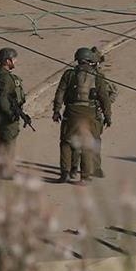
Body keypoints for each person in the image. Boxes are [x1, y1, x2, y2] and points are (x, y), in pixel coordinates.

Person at [52, 47, 113, 183]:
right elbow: (104, 98)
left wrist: (56, 110)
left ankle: (65, 173)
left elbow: (60, 93)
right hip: (90, 113)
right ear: (90, 60)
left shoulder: (69, 74)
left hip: (71, 112)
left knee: (66, 143)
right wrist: (108, 116)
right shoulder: (97, 76)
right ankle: (85, 177)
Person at [71, 47, 117, 179]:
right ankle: (76, 167)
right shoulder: (79, 74)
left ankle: (91, 168)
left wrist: (103, 106)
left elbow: (111, 93)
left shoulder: (97, 76)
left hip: (92, 113)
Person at [0, 47, 26, 179]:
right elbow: (3, 98)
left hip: (5, 112)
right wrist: (10, 113)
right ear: (7, 61)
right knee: (8, 142)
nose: (16, 61)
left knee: (5, 140)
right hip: (6, 114)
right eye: (14, 59)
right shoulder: (5, 78)